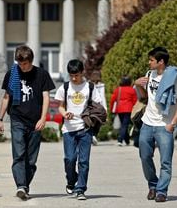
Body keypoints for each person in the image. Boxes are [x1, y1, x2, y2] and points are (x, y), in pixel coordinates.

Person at [0, 45, 55, 201]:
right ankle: (21, 186)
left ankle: (25, 185)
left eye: (25, 64)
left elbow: (46, 98)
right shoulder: (12, 74)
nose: (22, 67)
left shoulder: (41, 75)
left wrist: (43, 118)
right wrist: (0, 119)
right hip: (17, 118)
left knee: (31, 160)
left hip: (35, 121)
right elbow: (6, 97)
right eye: (20, 63)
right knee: (19, 155)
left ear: (31, 61)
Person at [134, 47, 177, 203]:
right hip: (147, 123)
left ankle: (161, 191)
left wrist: (173, 123)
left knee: (165, 161)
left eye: (151, 60)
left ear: (161, 61)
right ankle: (153, 185)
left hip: (165, 125)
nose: (149, 62)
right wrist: (137, 85)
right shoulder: (149, 75)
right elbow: (145, 97)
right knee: (145, 157)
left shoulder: (175, 78)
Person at [55, 59, 102, 200]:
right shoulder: (64, 87)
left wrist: (92, 117)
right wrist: (64, 114)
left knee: (83, 161)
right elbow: (60, 106)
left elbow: (97, 106)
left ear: (82, 72)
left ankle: (81, 189)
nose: (74, 78)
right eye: (71, 75)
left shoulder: (90, 87)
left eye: (77, 75)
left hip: (85, 128)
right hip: (68, 129)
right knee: (70, 159)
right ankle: (71, 180)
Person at [109, 75, 138, 146]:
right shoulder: (132, 90)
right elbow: (135, 101)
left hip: (119, 109)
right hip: (128, 109)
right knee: (125, 125)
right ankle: (120, 139)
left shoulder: (118, 89)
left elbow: (113, 100)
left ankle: (127, 140)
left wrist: (111, 109)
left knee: (123, 125)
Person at [89, 70, 107, 145]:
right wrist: (105, 108)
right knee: (96, 122)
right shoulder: (89, 84)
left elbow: (102, 97)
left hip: (94, 106)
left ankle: (92, 136)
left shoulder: (100, 85)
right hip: (95, 106)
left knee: (94, 122)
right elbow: (103, 97)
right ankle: (93, 136)